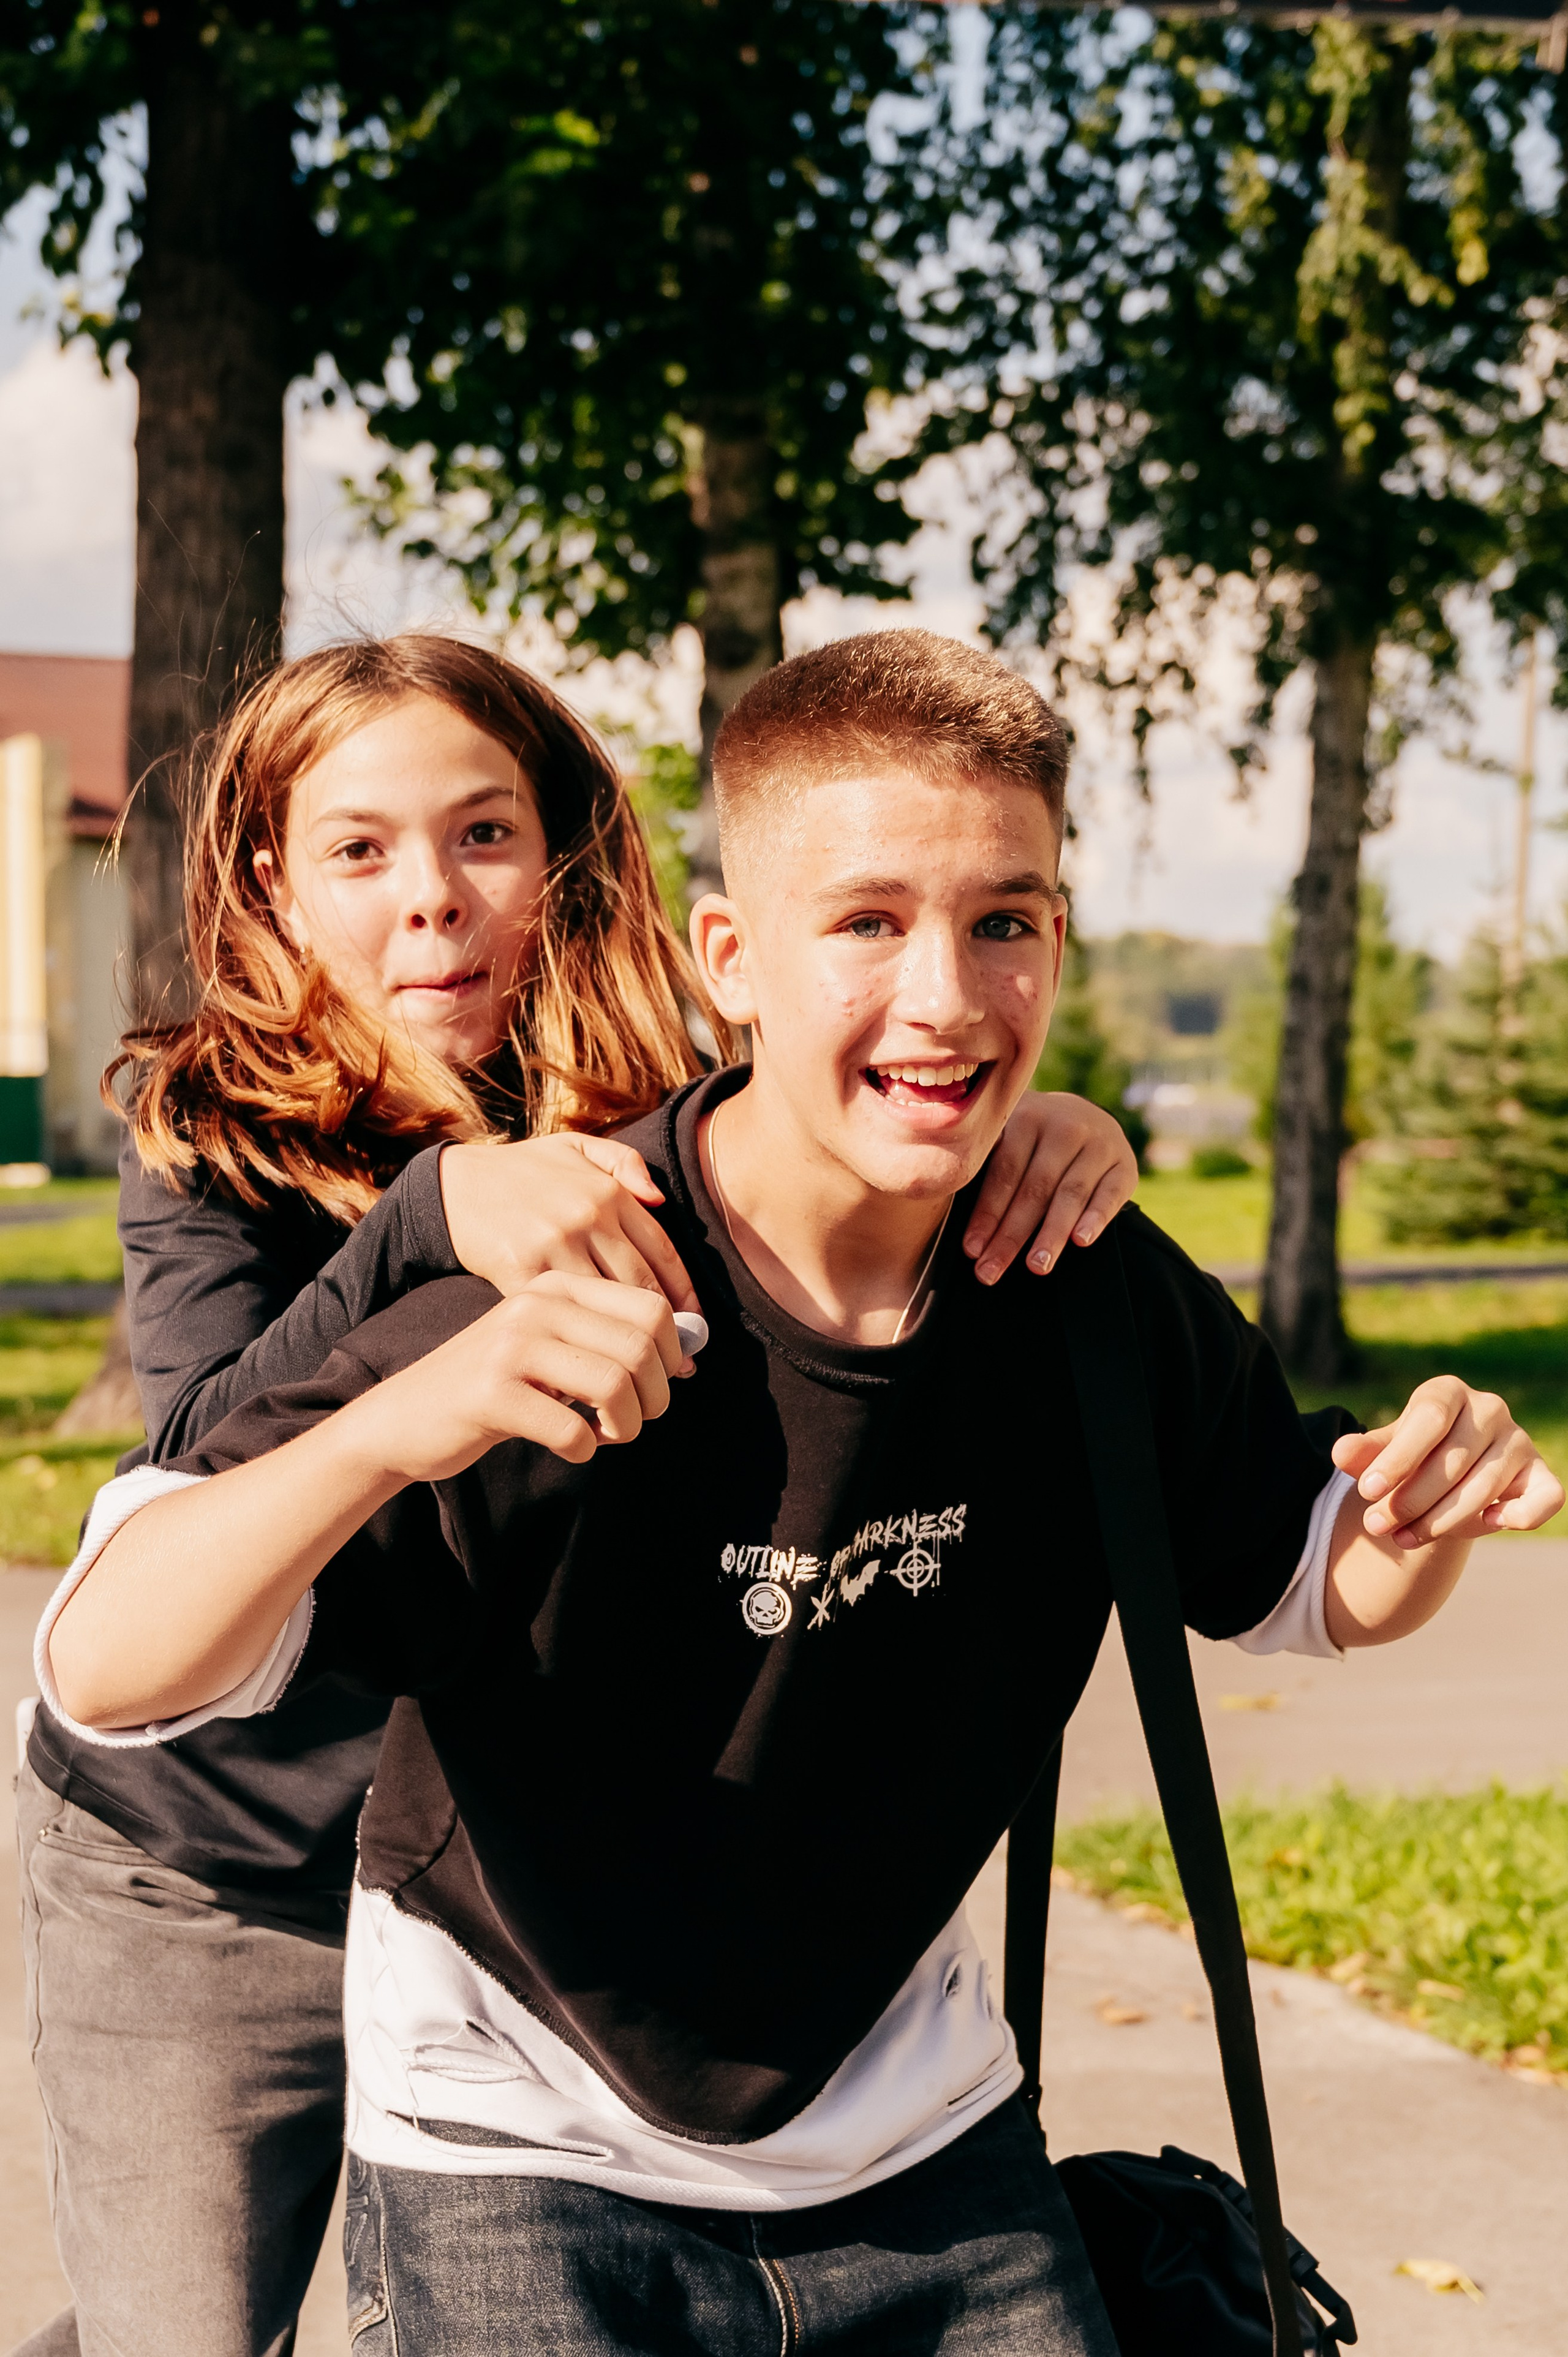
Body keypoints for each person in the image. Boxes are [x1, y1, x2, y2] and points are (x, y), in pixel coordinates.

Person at [50, 628, 1539, 2356]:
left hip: (899, 2119)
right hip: (252, 1884)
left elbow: (1304, 1573)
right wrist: (421, 1295)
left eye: (1007, 923)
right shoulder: (401, 1228)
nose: (946, 989)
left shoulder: (1019, 1244)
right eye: (872, 923)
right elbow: (123, 1629)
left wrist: (1403, 1520)